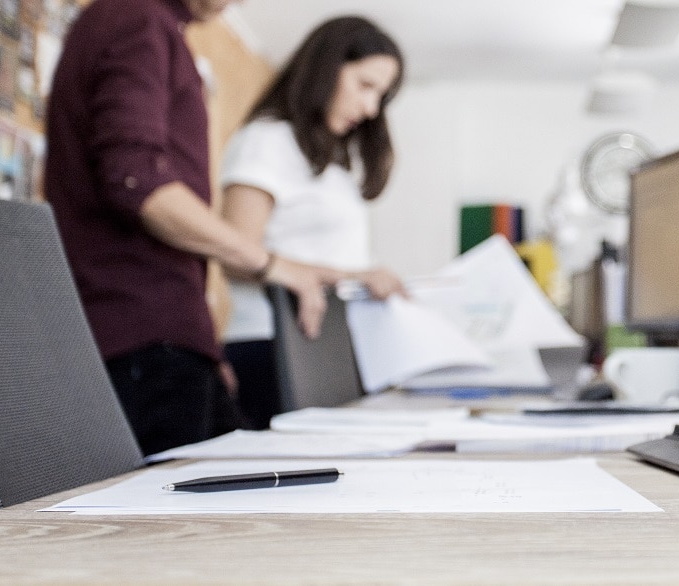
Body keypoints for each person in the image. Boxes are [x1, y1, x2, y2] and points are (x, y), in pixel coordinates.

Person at [42, 0, 338, 456]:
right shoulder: (136, 19)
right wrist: (270, 264)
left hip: (163, 339)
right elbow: (138, 183)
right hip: (140, 339)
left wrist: (201, 344)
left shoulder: (152, 27)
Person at [219, 16, 408, 429]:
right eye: (365, 86)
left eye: (382, 96)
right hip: (274, 349)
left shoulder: (333, 164)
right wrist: (356, 275)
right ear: (327, 68)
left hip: (328, 347)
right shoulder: (267, 141)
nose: (372, 108)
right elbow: (234, 253)